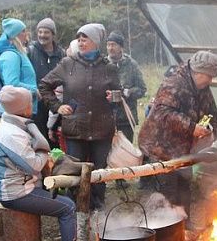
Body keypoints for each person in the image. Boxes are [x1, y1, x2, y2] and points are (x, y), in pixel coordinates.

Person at [0, 85, 78, 241]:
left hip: (25, 185)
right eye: (30, 103)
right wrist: (44, 153)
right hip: (17, 193)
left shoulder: (15, 123)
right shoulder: (10, 134)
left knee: (67, 197)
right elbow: (34, 165)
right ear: (23, 108)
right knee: (68, 208)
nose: (33, 106)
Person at [39, 24, 120, 210]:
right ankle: (75, 209)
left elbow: (118, 92)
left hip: (102, 128)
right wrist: (57, 107)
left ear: (96, 42)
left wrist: (113, 96)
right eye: (79, 39)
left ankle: (98, 208)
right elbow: (44, 85)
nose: (80, 42)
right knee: (73, 170)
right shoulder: (68, 64)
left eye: (85, 39)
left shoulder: (109, 67)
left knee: (99, 171)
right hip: (75, 128)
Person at [138, 51, 217, 224]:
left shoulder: (202, 88)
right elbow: (162, 113)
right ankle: (164, 231)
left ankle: (184, 227)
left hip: (183, 150)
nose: (210, 81)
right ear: (198, 72)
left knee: (184, 188)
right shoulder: (174, 83)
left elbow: (212, 112)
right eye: (209, 76)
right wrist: (191, 128)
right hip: (160, 147)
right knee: (167, 193)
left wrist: (211, 131)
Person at [0, 18, 38, 118]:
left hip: (22, 109)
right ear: (15, 35)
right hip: (16, 111)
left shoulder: (16, 53)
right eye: (23, 31)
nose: (26, 34)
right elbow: (12, 84)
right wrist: (34, 90)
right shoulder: (11, 56)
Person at [27, 18, 65, 142]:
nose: (42, 35)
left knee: (54, 135)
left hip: (55, 99)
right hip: (37, 99)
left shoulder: (61, 53)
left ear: (53, 34)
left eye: (46, 32)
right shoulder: (30, 51)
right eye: (40, 32)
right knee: (38, 133)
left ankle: (54, 159)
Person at [106, 31, 147, 142]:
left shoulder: (131, 64)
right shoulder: (103, 64)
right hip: (106, 117)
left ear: (121, 47)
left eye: (113, 44)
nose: (110, 48)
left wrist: (128, 92)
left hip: (126, 118)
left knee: (125, 151)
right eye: (108, 45)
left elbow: (142, 89)